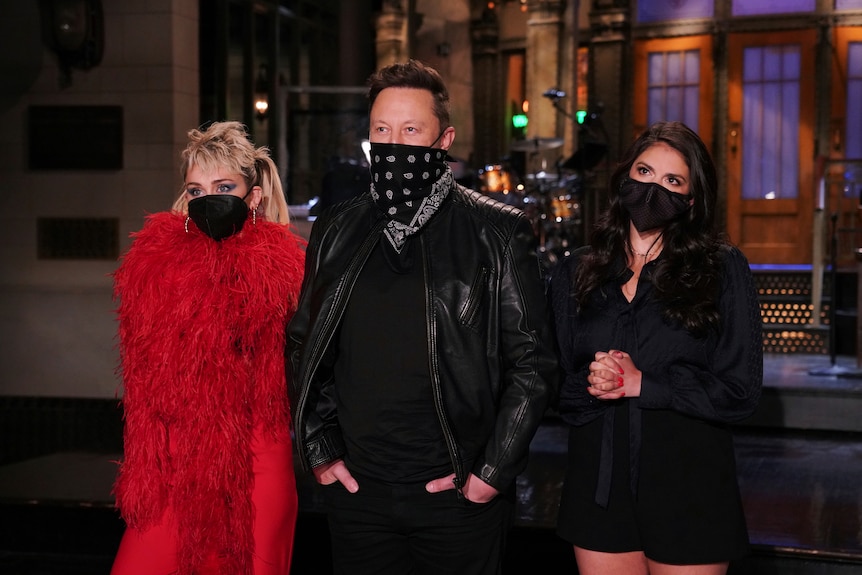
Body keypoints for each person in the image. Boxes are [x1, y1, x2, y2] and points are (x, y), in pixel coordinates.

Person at [286, 59, 559, 575]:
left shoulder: (497, 233)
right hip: (359, 496)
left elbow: (534, 364)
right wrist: (320, 450)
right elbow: (305, 342)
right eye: (381, 130)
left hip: (456, 498)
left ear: (443, 140)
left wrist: (490, 473)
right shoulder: (337, 228)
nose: (395, 143)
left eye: (411, 130)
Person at [549, 120, 763, 575]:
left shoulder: (722, 268)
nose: (653, 189)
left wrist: (643, 384)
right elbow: (557, 384)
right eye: (644, 172)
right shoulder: (578, 270)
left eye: (672, 181)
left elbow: (741, 392)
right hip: (598, 488)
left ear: (691, 198)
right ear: (624, 177)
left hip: (688, 486)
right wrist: (593, 383)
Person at [110, 121, 306, 575]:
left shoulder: (285, 274)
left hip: (258, 456)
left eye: (223, 186)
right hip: (175, 463)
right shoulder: (156, 267)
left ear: (252, 196)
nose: (207, 198)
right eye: (196, 190)